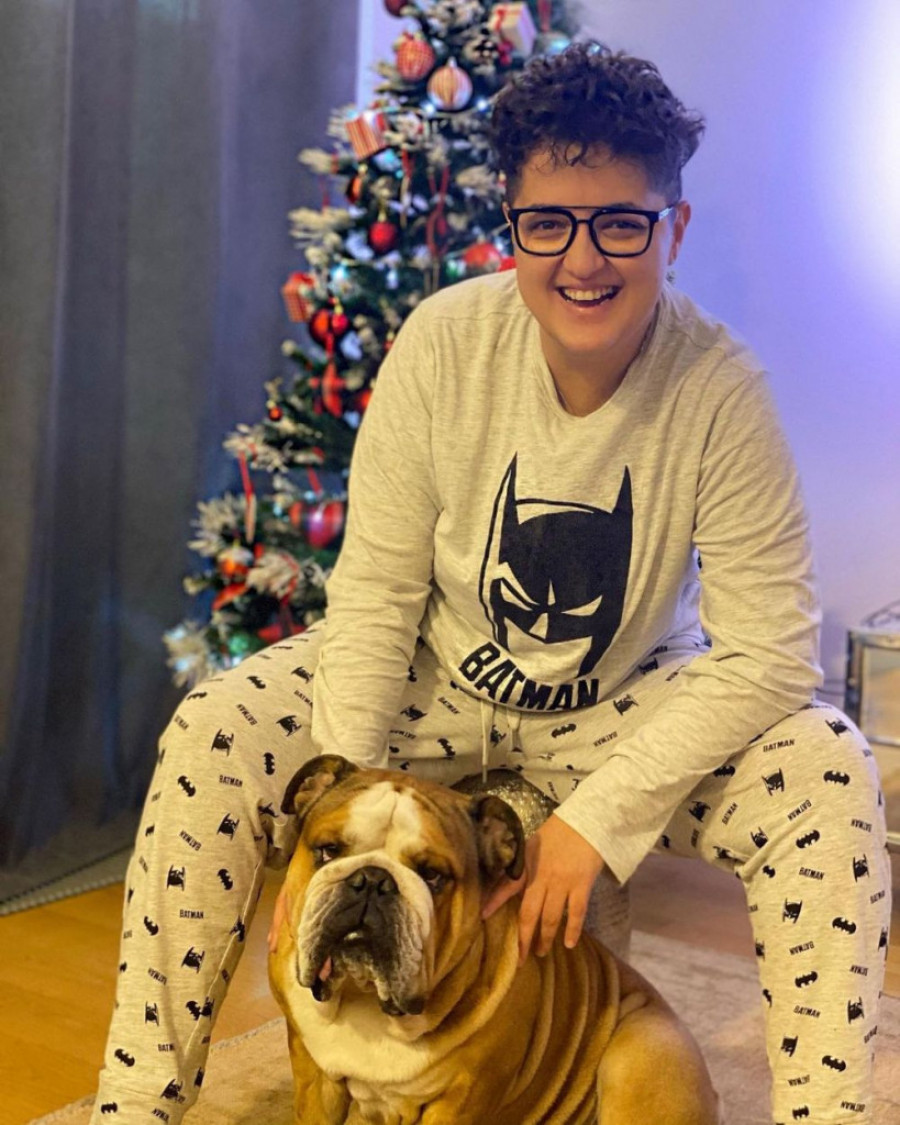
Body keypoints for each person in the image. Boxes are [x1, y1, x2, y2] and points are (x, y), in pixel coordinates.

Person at [92, 41, 890, 1125]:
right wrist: (335, 827)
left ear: (674, 229)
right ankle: (135, 1104)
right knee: (213, 727)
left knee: (828, 765)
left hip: (623, 707)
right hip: (437, 684)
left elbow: (771, 655)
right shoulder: (441, 345)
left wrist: (595, 823)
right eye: (547, 223)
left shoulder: (720, 390)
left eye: (622, 223)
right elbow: (375, 596)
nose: (583, 259)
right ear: (509, 224)